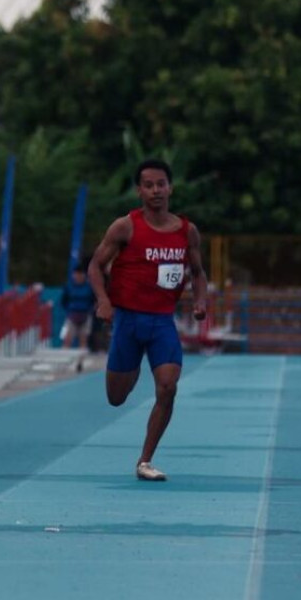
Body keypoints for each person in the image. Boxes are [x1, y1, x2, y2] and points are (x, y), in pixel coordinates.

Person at [87, 159, 208, 481]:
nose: (156, 190)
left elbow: (198, 273)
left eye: (161, 184)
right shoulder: (124, 227)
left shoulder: (187, 231)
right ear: (139, 190)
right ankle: (134, 365)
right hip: (128, 322)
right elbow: (95, 266)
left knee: (168, 387)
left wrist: (200, 300)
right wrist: (103, 300)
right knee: (116, 398)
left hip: (162, 323)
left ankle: (145, 460)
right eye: (149, 185)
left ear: (170, 188)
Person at [59, 264, 95, 351]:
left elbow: (93, 300)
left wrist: (89, 310)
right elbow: (64, 301)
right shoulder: (68, 287)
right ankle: (64, 355)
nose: (78, 276)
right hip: (71, 316)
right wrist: (70, 310)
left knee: (83, 339)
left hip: (85, 315)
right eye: (76, 274)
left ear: (84, 275)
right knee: (67, 338)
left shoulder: (89, 287)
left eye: (80, 274)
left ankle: (82, 358)